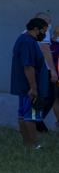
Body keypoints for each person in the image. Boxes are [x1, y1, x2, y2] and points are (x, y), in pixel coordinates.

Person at [13, 16, 50, 149]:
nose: (44, 34)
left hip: (24, 87)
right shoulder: (28, 42)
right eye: (43, 31)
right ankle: (34, 145)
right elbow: (28, 66)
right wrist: (33, 87)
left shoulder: (23, 40)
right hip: (30, 87)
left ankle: (27, 144)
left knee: (23, 115)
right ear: (35, 29)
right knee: (31, 116)